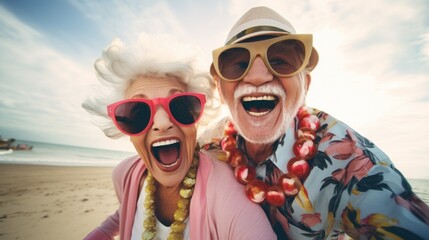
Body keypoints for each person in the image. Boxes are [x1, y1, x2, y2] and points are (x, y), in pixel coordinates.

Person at [204, 6, 429, 239]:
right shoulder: (207, 147)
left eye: (281, 61)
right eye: (238, 64)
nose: (257, 76)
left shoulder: (352, 162)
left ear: (305, 86)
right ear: (221, 90)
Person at [82, 33, 276, 240]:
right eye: (138, 113)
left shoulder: (226, 197)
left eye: (180, 106)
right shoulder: (126, 175)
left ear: (196, 120)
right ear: (125, 129)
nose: (163, 123)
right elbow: (122, 216)